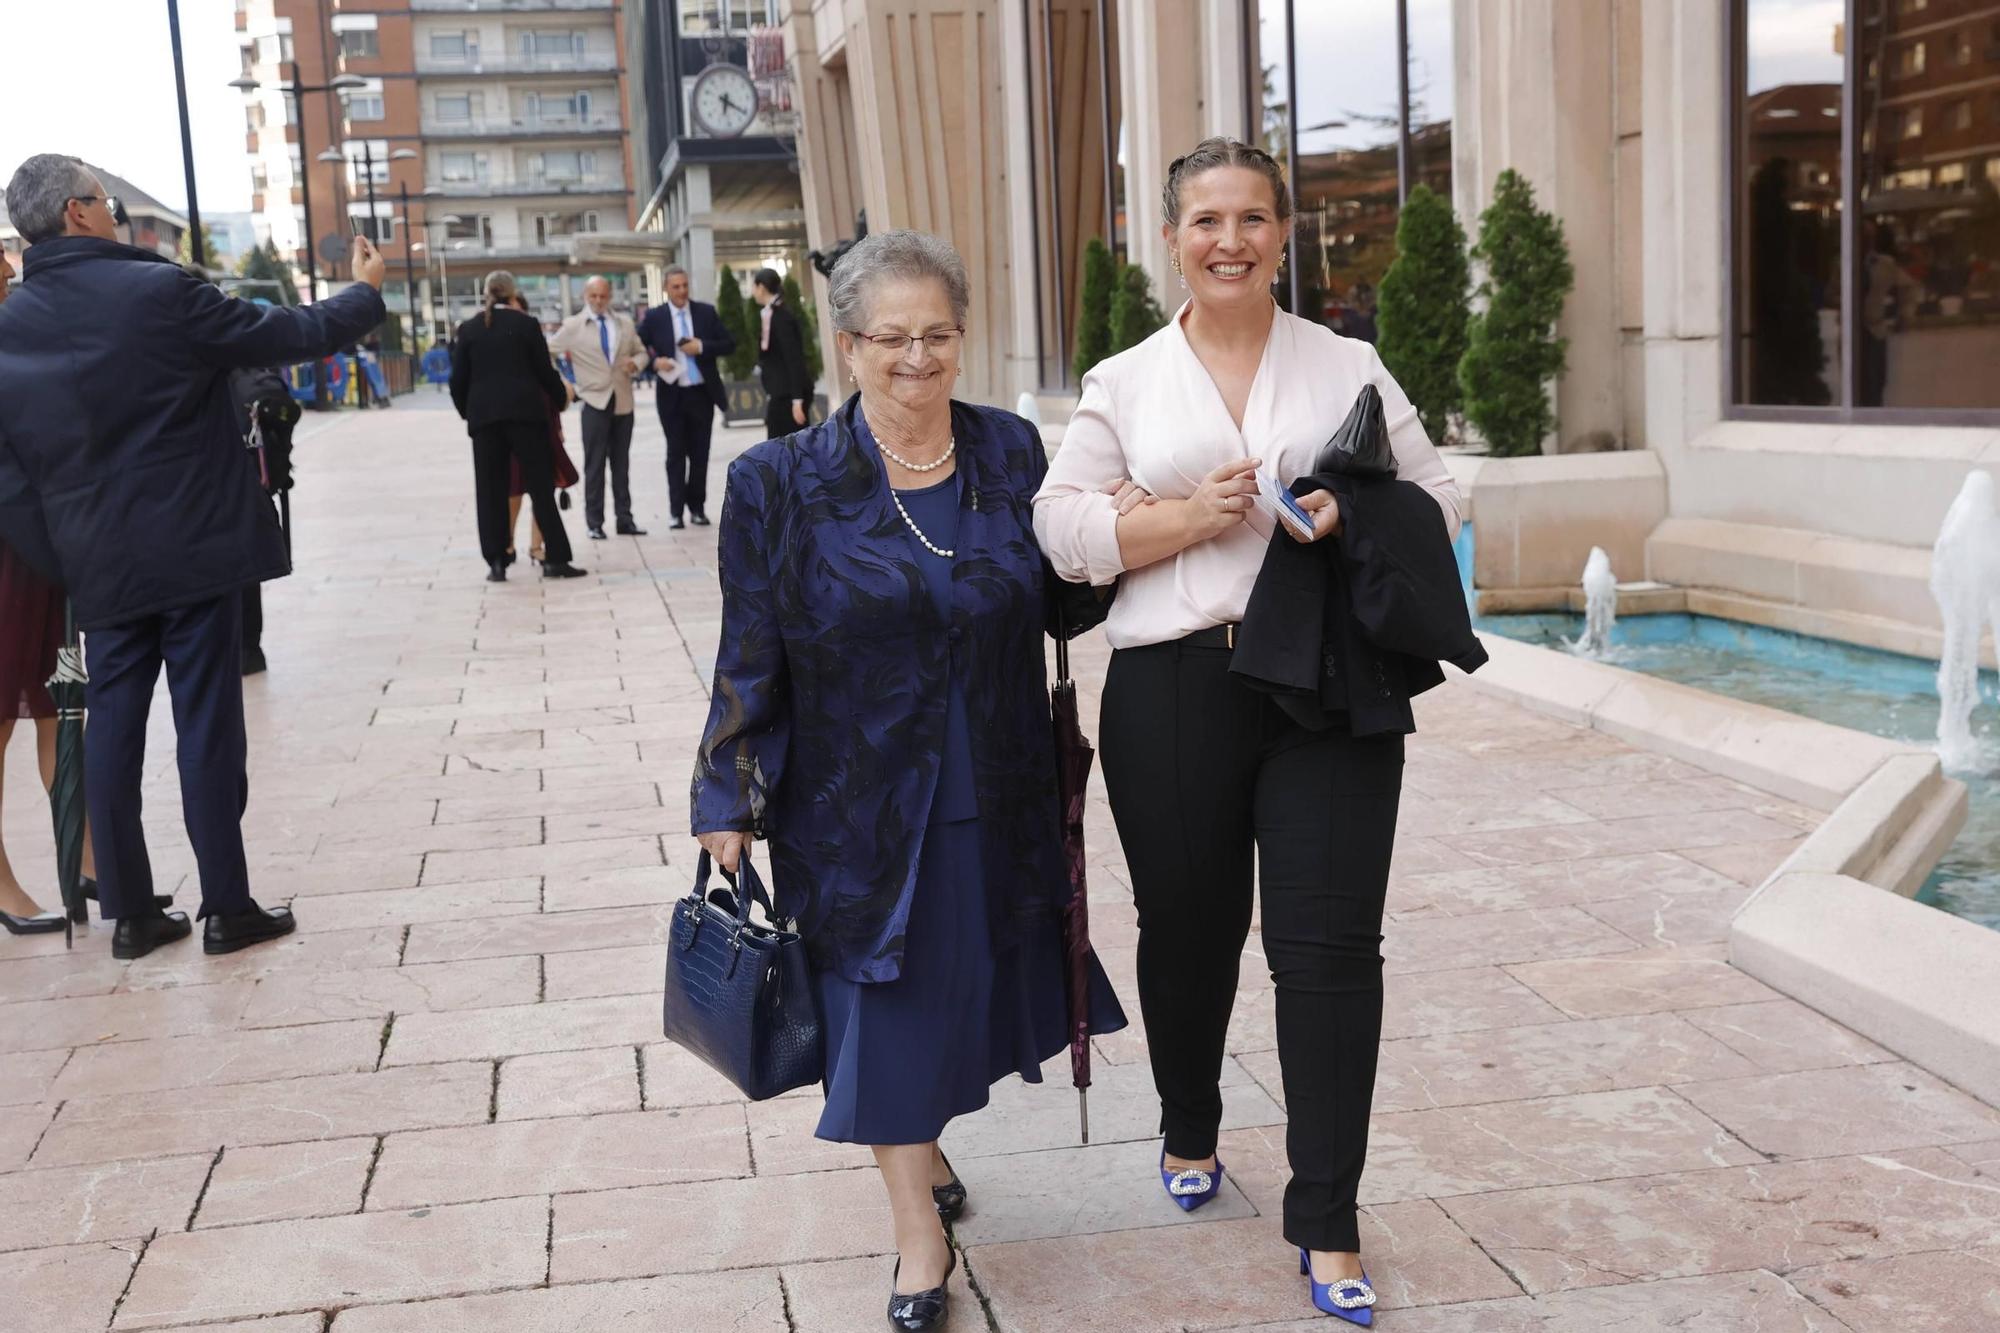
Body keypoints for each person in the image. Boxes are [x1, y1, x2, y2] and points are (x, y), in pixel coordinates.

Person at [1034, 138, 1466, 1325]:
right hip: (1172, 685)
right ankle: (1188, 1119)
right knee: (1187, 930)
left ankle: (1326, 1218)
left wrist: (1351, 506)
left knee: (1329, 954)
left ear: (1284, 233)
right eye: (1206, 219)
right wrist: (1177, 520)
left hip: (1328, 690)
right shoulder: (1124, 379)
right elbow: (1058, 529)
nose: (1230, 239)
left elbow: (1440, 496)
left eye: (1252, 218)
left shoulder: (1347, 363)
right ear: (1169, 237)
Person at [692, 229, 1126, 1333]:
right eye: (892, 337)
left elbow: (1063, 600)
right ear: (846, 349)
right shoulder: (777, 483)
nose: (917, 358)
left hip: (998, 782)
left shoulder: (1009, 451)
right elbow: (750, 649)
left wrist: (1130, 524)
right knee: (879, 1008)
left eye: (938, 334)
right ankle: (917, 1235)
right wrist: (727, 798)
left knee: (959, 991)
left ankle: (923, 1147)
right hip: (852, 805)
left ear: (962, 340)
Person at [0, 153, 388, 960]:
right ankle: (227, 905)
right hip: (194, 545)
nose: (113, 213)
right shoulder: (159, 291)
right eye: (104, 201)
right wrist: (366, 291)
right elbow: (291, 334)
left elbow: (8, 480)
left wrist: (63, 557)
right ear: (76, 214)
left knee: (110, 730)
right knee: (207, 721)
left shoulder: (9, 326)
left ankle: (133, 914)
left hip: (96, 563)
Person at [449, 270, 586, 584]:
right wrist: (560, 400)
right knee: (540, 487)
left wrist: (469, 414)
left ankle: (497, 561)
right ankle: (555, 558)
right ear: (513, 293)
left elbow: (458, 380)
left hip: (485, 420)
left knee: (490, 490)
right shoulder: (526, 324)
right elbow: (543, 372)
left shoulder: (469, 329)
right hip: (526, 416)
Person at [550, 275, 649, 539]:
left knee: (621, 464)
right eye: (593, 296)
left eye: (603, 296)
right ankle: (594, 522)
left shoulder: (624, 323)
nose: (598, 301)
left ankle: (624, 519)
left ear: (610, 297)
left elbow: (642, 352)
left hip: (623, 401)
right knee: (594, 466)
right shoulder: (573, 326)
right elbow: (546, 350)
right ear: (585, 295)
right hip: (593, 401)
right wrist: (564, 383)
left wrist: (636, 364)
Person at [637, 265, 734, 529]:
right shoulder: (655, 317)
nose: (681, 291)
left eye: (684, 286)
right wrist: (655, 362)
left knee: (700, 453)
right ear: (666, 289)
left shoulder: (705, 312)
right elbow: (636, 345)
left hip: (702, 393)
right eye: (676, 287)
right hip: (671, 395)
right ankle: (675, 511)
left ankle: (698, 509)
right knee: (675, 453)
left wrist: (701, 346)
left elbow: (729, 343)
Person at [504, 292, 581, 564]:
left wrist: (558, 425)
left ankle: (537, 546)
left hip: (543, 427)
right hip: (511, 430)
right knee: (512, 489)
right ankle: (508, 544)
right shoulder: (498, 351)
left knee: (544, 489)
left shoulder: (535, 345)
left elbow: (551, 388)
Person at [750, 267, 814, 439]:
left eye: (754, 287)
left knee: (790, 450)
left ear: (761, 287)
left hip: (788, 396)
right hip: (780, 393)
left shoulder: (781, 317)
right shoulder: (770, 314)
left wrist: (797, 400)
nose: (753, 292)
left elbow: (794, 359)